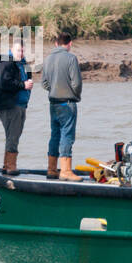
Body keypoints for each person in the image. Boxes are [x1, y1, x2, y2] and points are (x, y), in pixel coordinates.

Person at [39, 32, 82, 180]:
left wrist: (54, 90)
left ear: (56, 44)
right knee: (67, 136)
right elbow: (77, 83)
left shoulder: (48, 59)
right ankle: (65, 171)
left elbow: (44, 83)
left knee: (55, 135)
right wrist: (75, 95)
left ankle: (51, 169)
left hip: (53, 103)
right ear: (70, 44)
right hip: (67, 103)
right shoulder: (71, 58)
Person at [0, 39, 32, 175]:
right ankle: (10, 166)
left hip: (21, 105)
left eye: (23, 50)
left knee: (14, 136)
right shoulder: (7, 63)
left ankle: (6, 165)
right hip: (10, 106)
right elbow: (4, 82)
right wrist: (23, 85)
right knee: (13, 136)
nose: (21, 53)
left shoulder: (24, 64)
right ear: (12, 50)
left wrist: (27, 85)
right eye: (18, 50)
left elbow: (28, 79)